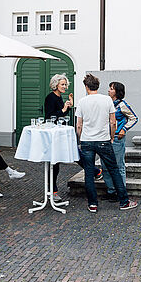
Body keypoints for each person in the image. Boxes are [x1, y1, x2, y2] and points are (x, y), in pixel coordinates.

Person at [75, 74, 137, 213]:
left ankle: (92, 204)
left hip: (87, 141)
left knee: (89, 173)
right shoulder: (106, 100)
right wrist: (112, 137)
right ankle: (124, 202)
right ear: (97, 86)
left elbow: (79, 125)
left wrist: (81, 139)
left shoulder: (82, 101)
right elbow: (112, 121)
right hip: (104, 140)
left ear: (86, 87)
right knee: (114, 170)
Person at [43, 73, 86, 202]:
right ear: (55, 85)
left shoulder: (59, 97)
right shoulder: (50, 98)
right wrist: (63, 110)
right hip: (53, 134)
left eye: (66, 84)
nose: (65, 86)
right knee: (54, 163)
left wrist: (68, 107)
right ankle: (52, 191)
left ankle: (94, 171)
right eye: (62, 84)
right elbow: (50, 116)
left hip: (60, 133)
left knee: (73, 153)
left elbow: (61, 115)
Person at [101, 81, 138, 202]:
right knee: (105, 165)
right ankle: (111, 190)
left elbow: (134, 118)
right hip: (106, 137)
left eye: (111, 89)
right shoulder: (107, 104)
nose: (108, 91)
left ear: (117, 91)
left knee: (118, 165)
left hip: (117, 138)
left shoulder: (122, 105)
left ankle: (120, 191)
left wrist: (123, 129)